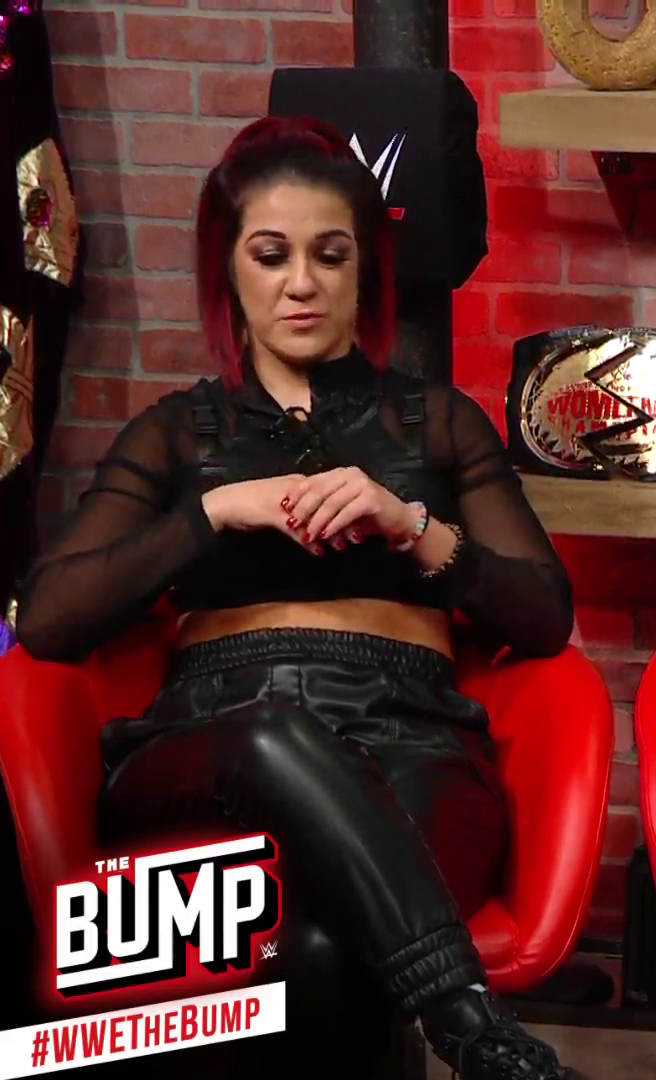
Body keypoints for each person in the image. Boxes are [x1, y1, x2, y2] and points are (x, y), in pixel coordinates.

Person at [10, 116, 584, 1080]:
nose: (302, 283)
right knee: (274, 734)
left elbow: (543, 615)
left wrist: (411, 525)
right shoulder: (176, 433)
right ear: (228, 272)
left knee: (319, 953)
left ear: (366, 273)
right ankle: (477, 1033)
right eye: (271, 255)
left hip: (407, 738)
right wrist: (215, 511)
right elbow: (49, 617)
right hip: (210, 746)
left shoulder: (436, 422)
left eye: (331, 255)